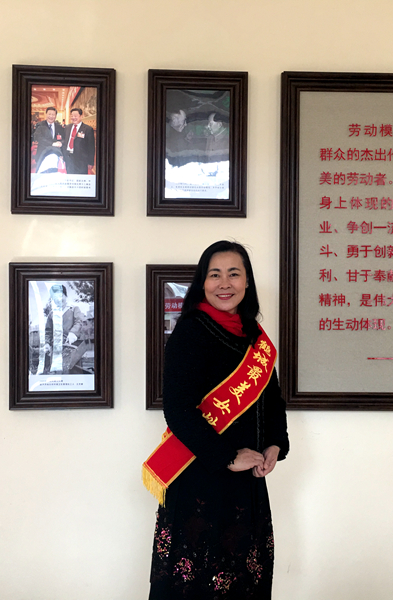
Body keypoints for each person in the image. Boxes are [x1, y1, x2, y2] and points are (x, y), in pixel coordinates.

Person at [144, 241, 289, 599]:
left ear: (247, 282)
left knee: (244, 580)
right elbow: (178, 409)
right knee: (196, 582)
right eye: (215, 275)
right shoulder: (191, 332)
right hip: (199, 479)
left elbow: (271, 399)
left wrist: (275, 443)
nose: (225, 283)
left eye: (234, 274)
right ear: (203, 283)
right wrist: (227, 456)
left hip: (247, 481)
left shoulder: (254, 337)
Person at [40, 284, 89, 375]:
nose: (58, 299)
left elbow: (79, 322)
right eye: (55, 297)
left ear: (65, 296)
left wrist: (73, 333)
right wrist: (47, 343)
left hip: (72, 348)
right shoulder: (52, 314)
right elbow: (48, 331)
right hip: (56, 350)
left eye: (61, 296)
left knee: (72, 373)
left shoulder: (73, 309)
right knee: (57, 374)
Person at [62, 107, 95, 175]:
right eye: (72, 116)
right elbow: (64, 141)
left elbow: (91, 147)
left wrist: (90, 162)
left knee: (81, 177)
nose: (73, 117)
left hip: (81, 160)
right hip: (68, 158)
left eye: (75, 116)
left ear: (81, 116)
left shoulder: (88, 129)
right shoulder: (67, 127)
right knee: (70, 176)